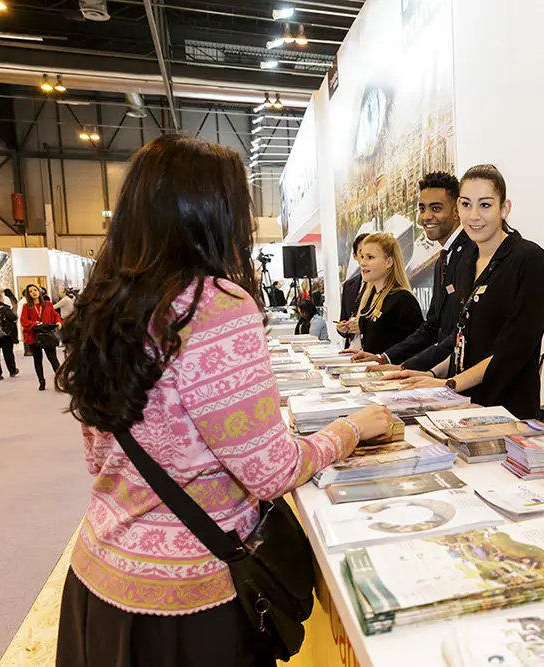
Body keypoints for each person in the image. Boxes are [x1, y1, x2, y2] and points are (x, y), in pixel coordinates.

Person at [53, 134, 394, 667]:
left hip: (101, 579)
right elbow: (271, 471)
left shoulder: (106, 303)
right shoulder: (212, 306)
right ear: (212, 213)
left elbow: (100, 458)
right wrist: (352, 428)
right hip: (190, 601)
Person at [391, 164, 544, 419]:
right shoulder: (466, 262)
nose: (474, 215)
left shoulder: (528, 259)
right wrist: (434, 374)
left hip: (507, 408)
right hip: (463, 404)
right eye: (466, 204)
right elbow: (464, 337)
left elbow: (514, 348)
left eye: (485, 205)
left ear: (504, 208)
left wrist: (450, 384)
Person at [351, 172, 474, 370]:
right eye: (422, 208)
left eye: (436, 208)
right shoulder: (443, 261)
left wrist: (405, 367)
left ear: (456, 211)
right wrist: (384, 358)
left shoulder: (472, 254)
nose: (426, 216)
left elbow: (462, 334)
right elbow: (432, 327)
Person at [344, 232, 423, 354]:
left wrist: (382, 358)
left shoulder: (403, 299)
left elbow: (415, 347)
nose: (363, 263)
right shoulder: (370, 296)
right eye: (362, 257)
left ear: (389, 262)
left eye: (370, 257)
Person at [20, 283, 61, 391]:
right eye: (30, 291)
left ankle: (61, 380)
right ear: (28, 294)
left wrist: (58, 321)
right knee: (38, 360)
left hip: (47, 335)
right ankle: (41, 382)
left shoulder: (48, 304)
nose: (34, 292)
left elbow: (55, 315)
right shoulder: (26, 307)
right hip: (34, 336)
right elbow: (23, 321)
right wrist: (34, 324)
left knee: (53, 358)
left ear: (39, 291)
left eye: (35, 290)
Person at [338, 233, 369, 348]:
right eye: (362, 254)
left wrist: (363, 327)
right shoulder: (349, 285)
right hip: (352, 349)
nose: (365, 260)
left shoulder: (385, 287)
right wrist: (343, 328)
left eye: (371, 255)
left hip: (373, 354)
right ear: (355, 256)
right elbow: (344, 318)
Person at [0, 288, 19, 380]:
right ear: (0, 298)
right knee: (8, 353)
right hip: (6, 335)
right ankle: (12, 371)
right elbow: (13, 317)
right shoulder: (4, 308)